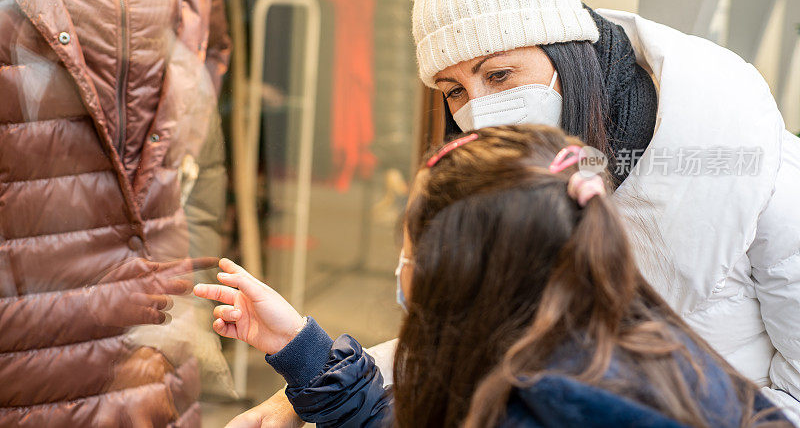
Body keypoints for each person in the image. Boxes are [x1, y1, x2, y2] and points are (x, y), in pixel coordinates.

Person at [237, 0, 800, 424]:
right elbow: (466, 342)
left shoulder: (743, 156)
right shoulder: (519, 187)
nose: (480, 110)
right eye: (453, 89)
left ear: (566, 55)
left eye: (499, 74)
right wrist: (309, 377)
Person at [196, 125, 791, 427]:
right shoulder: (602, 345)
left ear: (467, 276)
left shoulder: (543, 400)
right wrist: (299, 347)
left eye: (412, 255)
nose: (402, 274)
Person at [0, 0, 258, 425]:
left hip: (154, 369)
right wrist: (85, 306)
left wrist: (181, 315)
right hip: (28, 370)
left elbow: (196, 159)